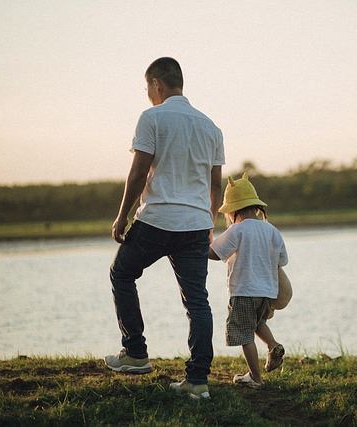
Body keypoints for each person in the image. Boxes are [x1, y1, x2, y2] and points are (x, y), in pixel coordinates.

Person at [104, 57, 224, 400]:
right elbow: (216, 186)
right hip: (196, 224)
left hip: (158, 218)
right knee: (197, 302)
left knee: (122, 273)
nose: (147, 95)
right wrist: (208, 220)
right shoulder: (211, 126)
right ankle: (198, 381)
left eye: (147, 88)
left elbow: (138, 172)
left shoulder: (152, 118)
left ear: (157, 84)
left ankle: (136, 353)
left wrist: (121, 216)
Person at [209, 173, 287, 388]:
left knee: (244, 335)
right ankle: (273, 345)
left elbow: (215, 253)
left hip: (244, 290)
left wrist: (198, 246)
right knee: (257, 323)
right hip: (267, 291)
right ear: (256, 206)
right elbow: (282, 260)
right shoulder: (272, 230)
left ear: (233, 210)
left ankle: (255, 377)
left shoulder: (238, 229)